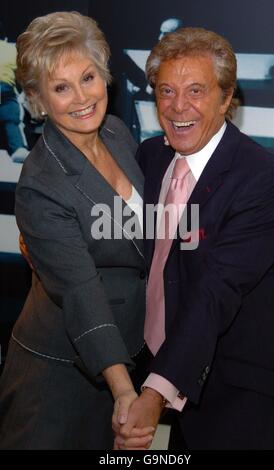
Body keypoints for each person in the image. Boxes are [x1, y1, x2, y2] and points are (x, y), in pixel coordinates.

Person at [115, 27, 274, 450]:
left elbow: (215, 290)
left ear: (226, 98)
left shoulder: (266, 181)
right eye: (166, 91)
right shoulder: (151, 156)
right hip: (157, 363)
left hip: (236, 391)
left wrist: (155, 393)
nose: (178, 107)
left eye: (196, 90)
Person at [0, 11, 153, 450]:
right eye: (61, 87)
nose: (81, 97)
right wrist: (124, 389)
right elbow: (81, 292)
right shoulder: (40, 184)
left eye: (88, 77)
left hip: (122, 359)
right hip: (58, 378)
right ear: (38, 99)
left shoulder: (118, 134)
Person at [0, 21, 29, 162]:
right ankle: (17, 148)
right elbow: (22, 75)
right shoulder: (12, 50)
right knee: (11, 120)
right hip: (4, 87)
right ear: (5, 38)